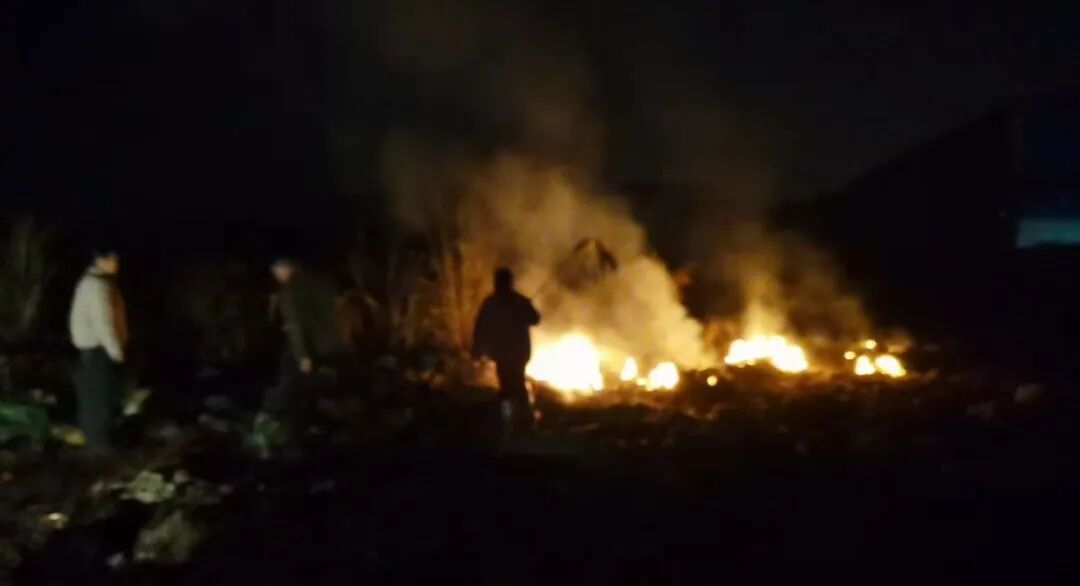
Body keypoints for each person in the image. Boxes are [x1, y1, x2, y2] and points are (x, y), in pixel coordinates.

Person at [261, 258, 345, 442]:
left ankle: (284, 433)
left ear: (283, 268)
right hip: (331, 346)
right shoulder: (319, 281)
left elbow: (294, 325)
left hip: (308, 349)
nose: (275, 276)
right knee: (325, 389)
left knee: (293, 391)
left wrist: (302, 356)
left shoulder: (290, 289)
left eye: (275, 271)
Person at [68, 249, 128, 451]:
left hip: (96, 350)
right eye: (113, 260)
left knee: (100, 395)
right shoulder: (96, 286)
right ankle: (100, 444)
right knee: (99, 398)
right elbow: (103, 322)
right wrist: (115, 350)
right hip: (97, 350)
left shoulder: (99, 283)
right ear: (101, 261)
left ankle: (101, 440)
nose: (116, 264)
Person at [472, 267, 541, 432]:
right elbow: (481, 327)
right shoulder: (494, 303)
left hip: (516, 353)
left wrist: (526, 310)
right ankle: (516, 420)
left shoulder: (515, 302)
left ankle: (521, 420)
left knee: (514, 384)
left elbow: (535, 319)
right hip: (504, 353)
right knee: (509, 385)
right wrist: (477, 348)